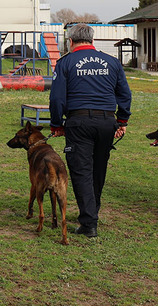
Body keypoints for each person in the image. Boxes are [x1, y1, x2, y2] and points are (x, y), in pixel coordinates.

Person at [49, 23, 132, 238]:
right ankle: (91, 215)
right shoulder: (112, 62)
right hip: (106, 122)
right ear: (93, 41)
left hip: (79, 122)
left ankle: (89, 223)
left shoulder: (65, 63)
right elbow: (124, 93)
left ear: (70, 41)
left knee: (81, 171)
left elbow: (57, 98)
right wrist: (122, 120)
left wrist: (57, 124)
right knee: (98, 169)